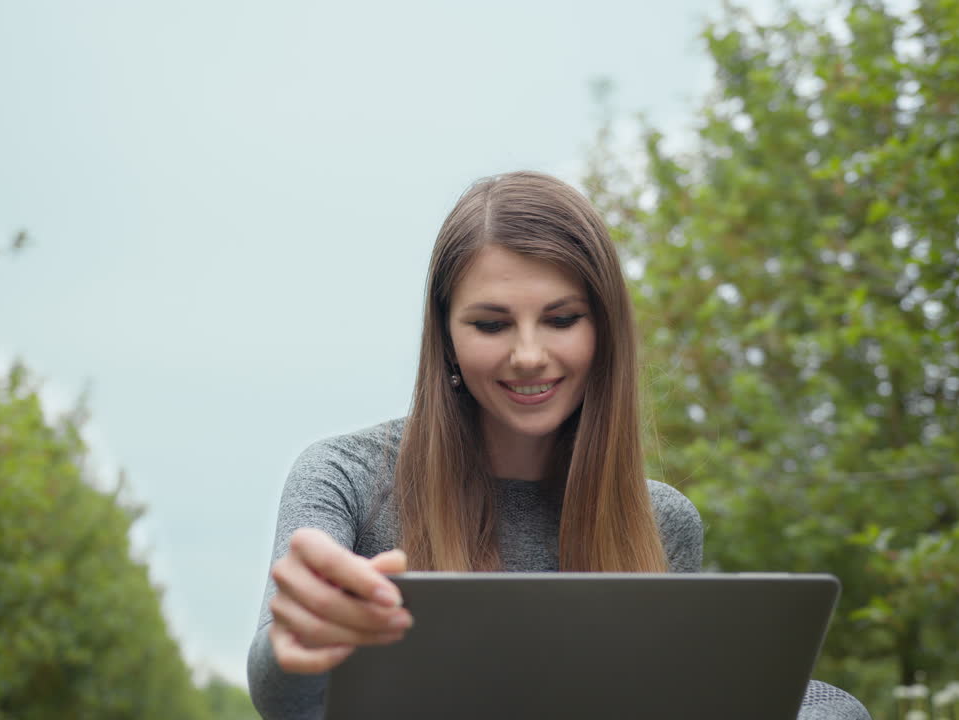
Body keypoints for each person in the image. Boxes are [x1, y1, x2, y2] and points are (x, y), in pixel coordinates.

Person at [246, 171, 870, 720]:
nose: (528, 355)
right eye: (491, 324)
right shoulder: (343, 479)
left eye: (562, 319)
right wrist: (303, 639)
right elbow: (284, 700)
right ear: (445, 338)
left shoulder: (662, 522)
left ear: (604, 330)